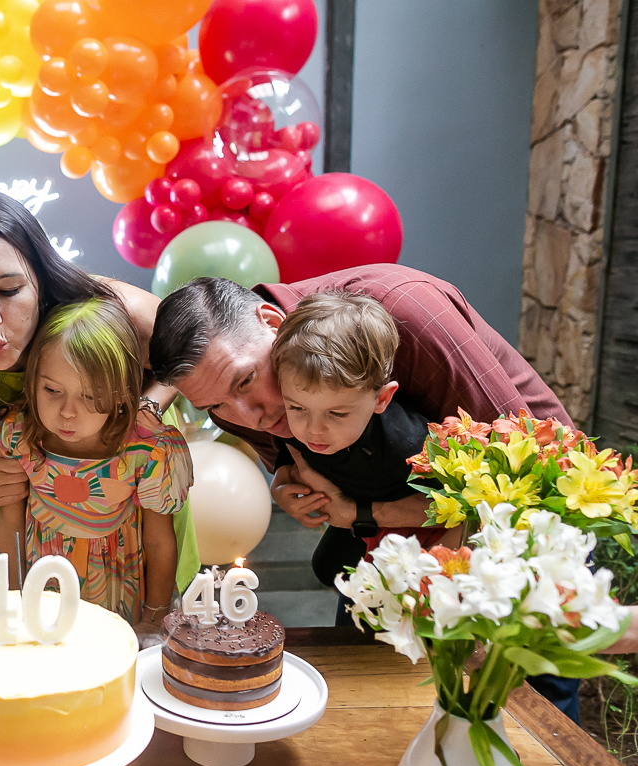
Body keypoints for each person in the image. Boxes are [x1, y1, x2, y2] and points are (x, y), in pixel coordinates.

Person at [148, 268, 582, 719]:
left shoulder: (409, 313)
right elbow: (295, 456)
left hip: (531, 519)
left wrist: (363, 513)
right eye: (214, 406)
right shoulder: (241, 403)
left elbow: (525, 469)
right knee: (371, 693)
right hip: (386, 549)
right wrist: (285, 478)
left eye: (244, 381)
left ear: (272, 322)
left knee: (528, 710)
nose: (248, 416)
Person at [0, 189, 199, 589]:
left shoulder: (114, 312)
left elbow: (192, 355)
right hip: (37, 535)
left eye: (8, 290)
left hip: (139, 518)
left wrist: (144, 408)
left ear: (41, 278)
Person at [0, 299, 190, 636]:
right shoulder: (17, 435)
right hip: (43, 586)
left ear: (123, 391)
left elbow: (159, 541)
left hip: (117, 591)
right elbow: (9, 523)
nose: (68, 411)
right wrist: (12, 600)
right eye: (52, 390)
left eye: (90, 396)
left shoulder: (147, 450)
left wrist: (154, 616)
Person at [269, 291, 454, 620]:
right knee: (327, 569)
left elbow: (452, 507)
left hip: (415, 536)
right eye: (296, 407)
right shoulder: (291, 423)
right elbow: (290, 450)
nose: (314, 430)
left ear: (382, 399)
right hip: (360, 515)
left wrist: (361, 514)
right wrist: (281, 484)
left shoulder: (407, 444)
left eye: (336, 414)